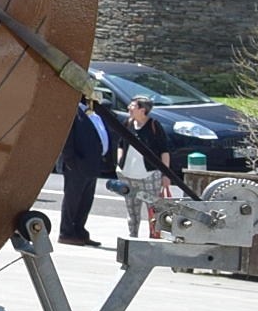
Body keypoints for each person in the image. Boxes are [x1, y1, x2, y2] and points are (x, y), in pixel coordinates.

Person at [56, 94, 116, 247]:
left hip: (92, 163)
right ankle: (67, 232)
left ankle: (80, 231)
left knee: (85, 201)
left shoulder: (93, 113)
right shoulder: (74, 112)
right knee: (72, 200)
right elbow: (66, 138)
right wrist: (70, 160)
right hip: (76, 164)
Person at [116, 95, 181, 236]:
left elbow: (164, 151)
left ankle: (154, 236)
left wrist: (166, 174)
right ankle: (132, 236)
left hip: (150, 176)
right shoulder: (127, 123)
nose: (129, 108)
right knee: (132, 210)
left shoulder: (153, 126)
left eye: (132, 106)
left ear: (142, 109)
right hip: (128, 175)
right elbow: (120, 144)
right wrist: (119, 161)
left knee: (154, 209)